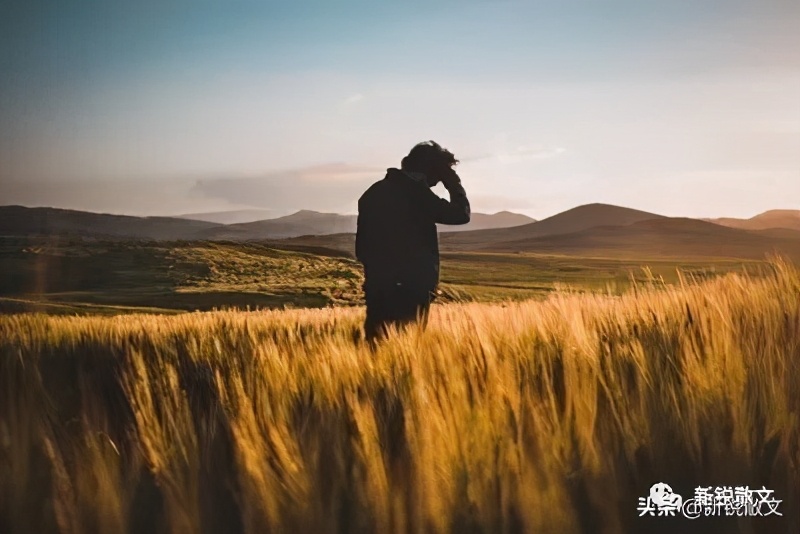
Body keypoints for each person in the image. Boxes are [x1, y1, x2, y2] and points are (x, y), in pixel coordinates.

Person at [355, 140, 471, 343]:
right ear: (433, 169)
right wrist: (454, 184)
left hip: (378, 286)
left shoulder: (374, 191)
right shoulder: (416, 193)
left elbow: (362, 247)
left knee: (375, 346)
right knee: (408, 345)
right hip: (411, 287)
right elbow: (460, 214)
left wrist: (377, 274)